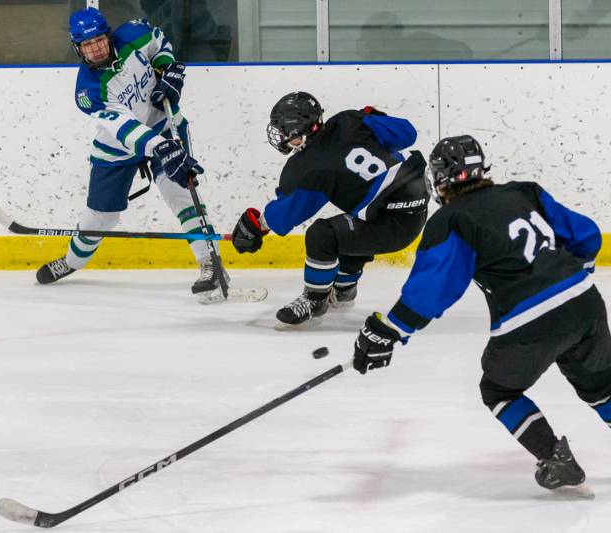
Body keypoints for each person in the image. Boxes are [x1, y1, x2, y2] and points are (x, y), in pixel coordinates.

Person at [352, 135, 609, 493]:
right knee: (602, 388)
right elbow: (586, 235)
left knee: (499, 390)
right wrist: (573, 277)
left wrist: (390, 329)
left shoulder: (452, 220)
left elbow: (433, 291)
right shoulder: (524, 192)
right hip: (585, 301)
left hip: (529, 320)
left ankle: (555, 459)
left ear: (439, 178)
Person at [37, 7, 229, 302]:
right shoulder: (88, 91)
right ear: (78, 48)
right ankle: (72, 262)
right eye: (87, 45)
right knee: (99, 218)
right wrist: (160, 147)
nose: (95, 49)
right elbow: (125, 128)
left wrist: (168, 71)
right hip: (119, 146)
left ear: (108, 35)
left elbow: (159, 42)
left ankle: (210, 265)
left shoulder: (134, 34)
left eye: (99, 40)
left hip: (164, 124)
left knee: (180, 193)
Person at [231, 92, 429, 325]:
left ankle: (315, 300)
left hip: (391, 226)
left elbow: (288, 213)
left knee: (322, 235)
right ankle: (343, 291)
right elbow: (407, 133)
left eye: (284, 129)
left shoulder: (308, 167)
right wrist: (373, 118)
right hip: (414, 209)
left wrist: (257, 226)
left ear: (298, 130)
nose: (282, 136)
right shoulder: (349, 121)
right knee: (351, 223)